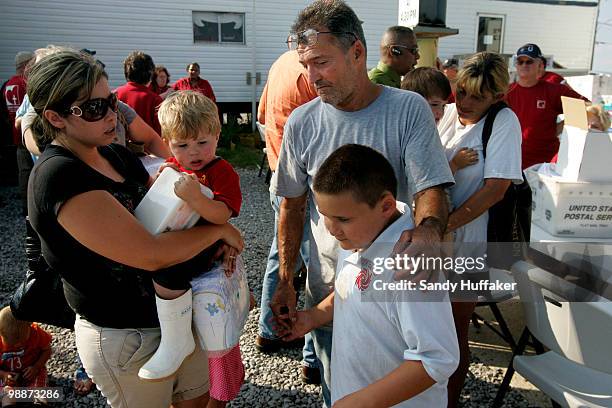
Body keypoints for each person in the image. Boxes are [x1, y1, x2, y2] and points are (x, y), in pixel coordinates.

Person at [26, 48, 243, 408]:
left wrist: (213, 231)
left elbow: (171, 216)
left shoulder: (116, 155)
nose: (112, 114)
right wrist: (219, 232)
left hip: (177, 317)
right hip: (127, 336)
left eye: (110, 101)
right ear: (56, 117)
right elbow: (151, 254)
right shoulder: (59, 175)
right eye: (94, 108)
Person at [272, 1, 454, 405]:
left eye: (321, 62)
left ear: (357, 52)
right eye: (305, 64)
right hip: (332, 287)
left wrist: (427, 233)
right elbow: (292, 206)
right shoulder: (302, 121)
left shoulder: (408, 109)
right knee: (340, 375)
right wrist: (287, 279)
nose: (311, 77)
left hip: (395, 282)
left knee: (393, 376)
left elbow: (431, 187)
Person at [277, 144, 459, 407]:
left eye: (342, 218)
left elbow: (437, 358)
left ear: (385, 205)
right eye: (323, 215)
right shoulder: (360, 236)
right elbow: (350, 289)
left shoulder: (409, 264)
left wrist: (361, 402)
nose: (331, 229)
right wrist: (313, 317)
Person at [138, 90, 243, 396]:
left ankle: (176, 340)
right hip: (179, 237)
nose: (194, 152)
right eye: (182, 145)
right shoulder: (175, 165)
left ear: (217, 135)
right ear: (167, 143)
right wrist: (159, 181)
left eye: (202, 142)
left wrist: (196, 197)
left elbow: (223, 213)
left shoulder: (221, 171)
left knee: (167, 271)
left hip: (204, 245)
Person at [436, 52, 523, 407]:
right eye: (462, 93)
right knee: (430, 323)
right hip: (439, 239)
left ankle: (449, 401)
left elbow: (496, 188)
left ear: (497, 97)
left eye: (477, 97)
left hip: (469, 244)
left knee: (454, 330)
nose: (466, 103)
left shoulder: (504, 122)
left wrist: (444, 224)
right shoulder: (450, 115)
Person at [256, 50, 320, 384]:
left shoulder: (280, 61)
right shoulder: (313, 72)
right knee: (314, 265)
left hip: (278, 175)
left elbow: (262, 113)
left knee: (281, 256)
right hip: (303, 184)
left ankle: (268, 331)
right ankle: (312, 358)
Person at [506, 43, 587, 240]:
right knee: (512, 218)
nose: (524, 65)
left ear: (540, 66)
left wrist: (559, 128)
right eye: (520, 61)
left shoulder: (553, 91)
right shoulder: (507, 93)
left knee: (540, 222)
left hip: (544, 170)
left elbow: (585, 108)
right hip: (512, 167)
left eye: (529, 62)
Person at [4, 51, 35, 214]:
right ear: (26, 65)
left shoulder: (7, 83)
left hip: (16, 136)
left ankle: (26, 207)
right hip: (28, 135)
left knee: (23, 172)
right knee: (31, 173)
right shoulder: (26, 84)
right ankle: (30, 208)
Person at [0, 307, 52, 390]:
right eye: (12, 344)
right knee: (6, 391)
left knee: (39, 384)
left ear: (29, 326)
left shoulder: (36, 333)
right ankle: (9, 401)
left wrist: (36, 367)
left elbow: (47, 349)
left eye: (22, 341)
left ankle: (37, 401)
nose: (18, 345)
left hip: (32, 371)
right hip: (8, 375)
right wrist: (3, 374)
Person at [115, 51, 163, 134]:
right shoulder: (154, 100)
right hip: (146, 145)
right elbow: (160, 132)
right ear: (150, 73)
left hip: (117, 145)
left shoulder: (114, 94)